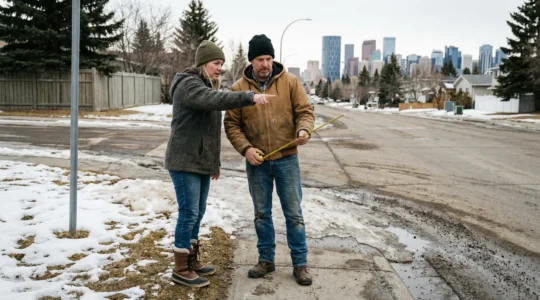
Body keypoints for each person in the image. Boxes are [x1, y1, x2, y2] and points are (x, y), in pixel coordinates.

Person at [164, 40, 272, 288]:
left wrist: (214, 163)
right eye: (216, 63)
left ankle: (191, 261)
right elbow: (213, 100)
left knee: (198, 212)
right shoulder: (188, 85)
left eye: (222, 64)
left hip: (200, 162)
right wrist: (250, 97)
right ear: (203, 63)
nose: (220, 68)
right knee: (188, 212)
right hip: (183, 161)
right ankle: (181, 268)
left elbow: (209, 132)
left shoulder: (205, 84)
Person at [224, 34, 315, 286]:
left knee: (294, 214)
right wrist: (246, 149)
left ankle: (300, 264)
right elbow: (232, 124)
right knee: (261, 214)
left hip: (287, 160)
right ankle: (266, 260)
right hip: (257, 162)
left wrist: (303, 130)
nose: (265, 64)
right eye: (260, 59)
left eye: (268, 58)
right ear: (251, 61)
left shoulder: (290, 82)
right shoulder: (239, 89)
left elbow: (305, 112)